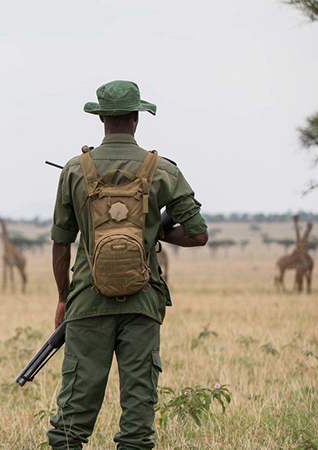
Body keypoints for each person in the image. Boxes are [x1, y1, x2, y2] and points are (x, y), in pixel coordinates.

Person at [47, 80, 209, 449]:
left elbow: (61, 242)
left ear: (101, 118)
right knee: (138, 416)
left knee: (72, 414)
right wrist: (155, 232)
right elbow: (198, 234)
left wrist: (63, 298)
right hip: (143, 301)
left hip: (87, 300)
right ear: (137, 119)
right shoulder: (163, 170)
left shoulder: (74, 170)